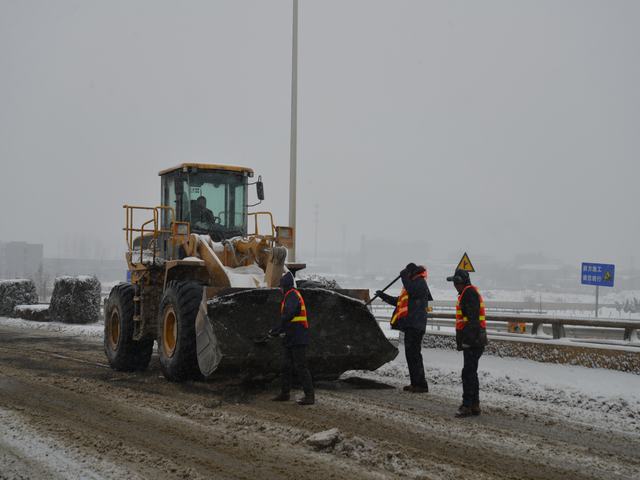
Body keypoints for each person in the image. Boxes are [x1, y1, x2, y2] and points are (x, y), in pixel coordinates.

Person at [376, 263, 432, 393]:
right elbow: (399, 301)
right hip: (410, 325)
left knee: (414, 355)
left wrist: (404, 277)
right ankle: (415, 383)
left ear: (412, 273)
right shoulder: (412, 284)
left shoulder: (419, 282)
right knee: (411, 355)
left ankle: (421, 384)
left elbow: (412, 289)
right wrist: (383, 296)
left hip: (415, 325)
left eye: (408, 274)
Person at [446, 268, 488, 418]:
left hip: (473, 341)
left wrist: (467, 341)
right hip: (475, 340)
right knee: (471, 373)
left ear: (460, 281)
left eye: (455, 283)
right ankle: (475, 405)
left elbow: (472, 320)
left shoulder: (469, 294)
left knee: (468, 373)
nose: (454, 286)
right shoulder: (468, 293)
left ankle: (467, 405)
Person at [270, 271, 315, 405]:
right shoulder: (290, 296)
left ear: (285, 286)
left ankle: (309, 396)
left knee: (301, 366)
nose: (280, 289)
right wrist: (277, 330)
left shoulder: (292, 295)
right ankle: (285, 393)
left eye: (281, 286)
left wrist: (277, 328)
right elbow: (289, 319)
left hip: (298, 336)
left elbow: (288, 315)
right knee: (286, 366)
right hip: (291, 336)